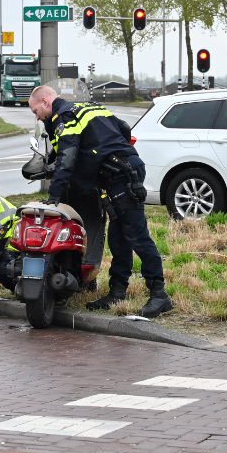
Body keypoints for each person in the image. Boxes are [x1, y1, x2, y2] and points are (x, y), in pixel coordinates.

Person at [28, 85, 172, 318]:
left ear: (45, 101)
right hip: (120, 172)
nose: (37, 117)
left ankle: (159, 294)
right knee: (118, 237)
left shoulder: (65, 117)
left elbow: (67, 158)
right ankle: (117, 291)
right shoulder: (87, 108)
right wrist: (112, 150)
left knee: (137, 235)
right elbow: (124, 128)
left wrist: (54, 195)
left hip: (121, 175)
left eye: (36, 111)